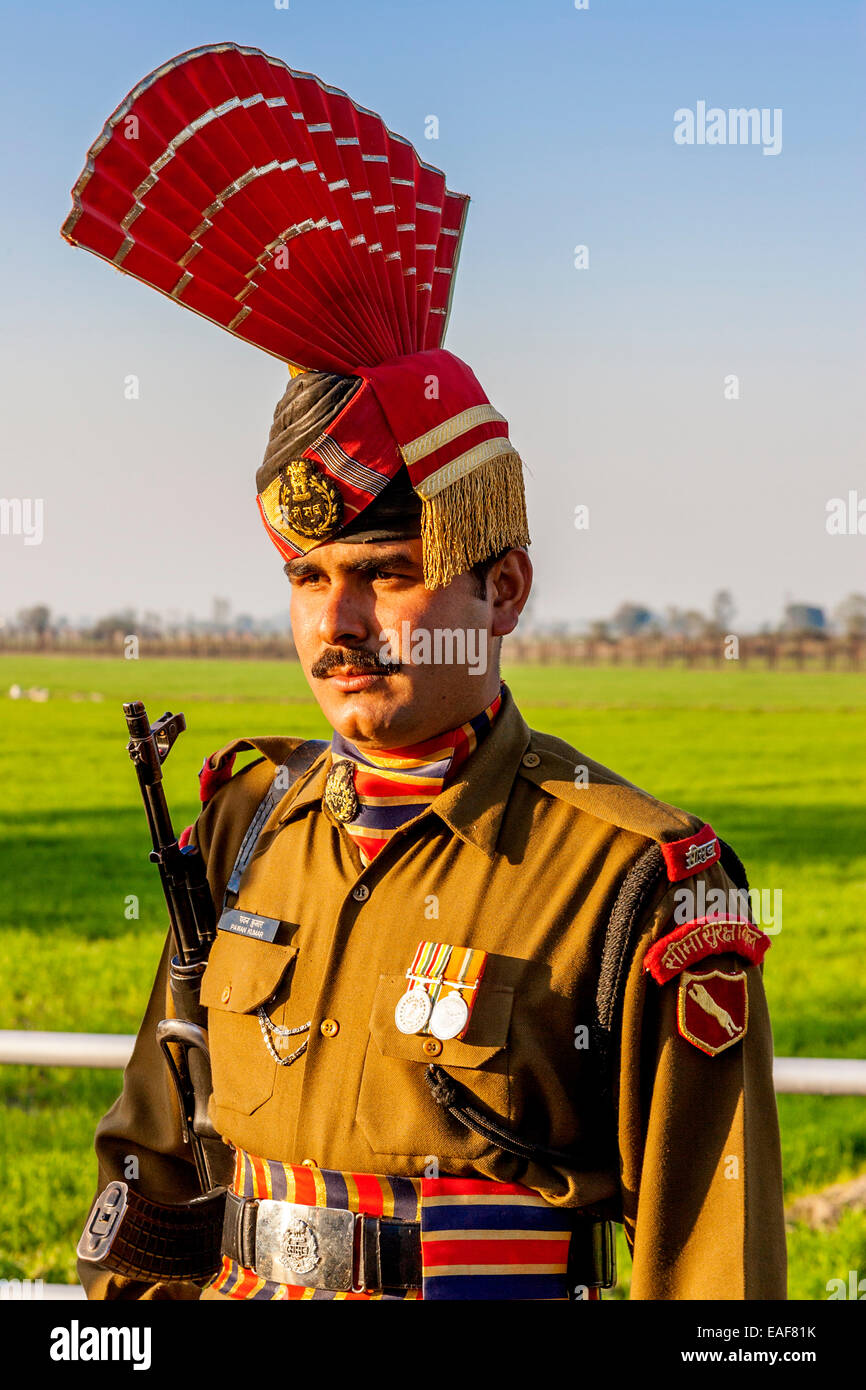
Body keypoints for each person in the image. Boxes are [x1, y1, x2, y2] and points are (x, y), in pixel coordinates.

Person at [64, 42, 786, 1302]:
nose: (337, 622)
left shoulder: (643, 885)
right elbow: (154, 1180)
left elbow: (714, 1278)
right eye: (305, 577)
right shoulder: (240, 827)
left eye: (387, 571)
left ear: (500, 588)